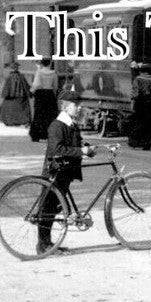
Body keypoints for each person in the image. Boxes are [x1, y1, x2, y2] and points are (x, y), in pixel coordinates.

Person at [37, 89, 95, 254]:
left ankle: (48, 243)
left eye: (79, 104)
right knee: (47, 209)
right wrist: (81, 151)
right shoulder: (57, 125)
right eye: (75, 105)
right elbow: (57, 149)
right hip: (54, 173)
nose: (79, 107)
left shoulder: (70, 124)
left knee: (54, 208)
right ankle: (43, 245)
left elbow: (73, 144)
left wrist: (86, 149)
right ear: (64, 106)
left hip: (64, 172)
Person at [129, 63, 151, 150]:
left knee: (138, 123)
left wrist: (132, 105)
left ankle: (135, 143)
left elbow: (135, 93)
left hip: (140, 104)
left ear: (141, 71)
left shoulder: (138, 79)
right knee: (149, 124)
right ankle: (147, 144)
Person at [29, 57, 59, 142]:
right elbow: (55, 86)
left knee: (38, 114)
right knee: (50, 115)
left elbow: (36, 84)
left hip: (40, 94)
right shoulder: (54, 73)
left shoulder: (39, 72)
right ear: (50, 64)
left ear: (42, 64)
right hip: (49, 94)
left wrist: (32, 91)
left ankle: (36, 134)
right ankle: (49, 134)